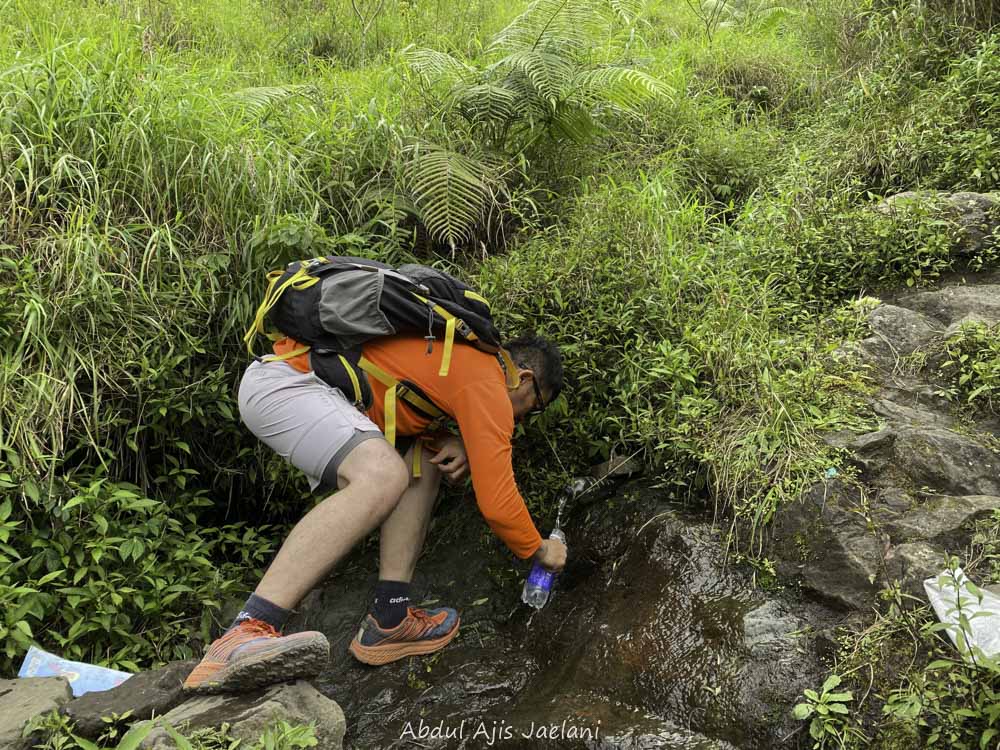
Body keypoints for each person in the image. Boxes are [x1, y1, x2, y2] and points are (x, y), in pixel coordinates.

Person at [182, 331, 567, 693]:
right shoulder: (487, 380)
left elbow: (395, 406)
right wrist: (541, 551)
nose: (522, 417)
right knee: (382, 475)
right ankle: (248, 628)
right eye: (535, 407)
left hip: (295, 388)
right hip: (288, 385)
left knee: (424, 458)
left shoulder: (461, 363)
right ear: (525, 378)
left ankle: (390, 617)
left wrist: (452, 441)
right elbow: (498, 504)